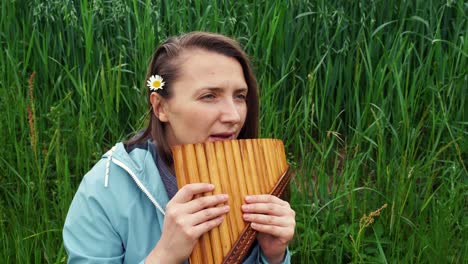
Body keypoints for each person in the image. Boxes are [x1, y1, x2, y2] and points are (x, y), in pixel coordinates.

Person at [63, 31, 296, 264]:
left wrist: (274, 257)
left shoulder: (256, 174)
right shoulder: (105, 189)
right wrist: (165, 255)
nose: (234, 116)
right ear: (161, 107)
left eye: (240, 96)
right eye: (209, 96)